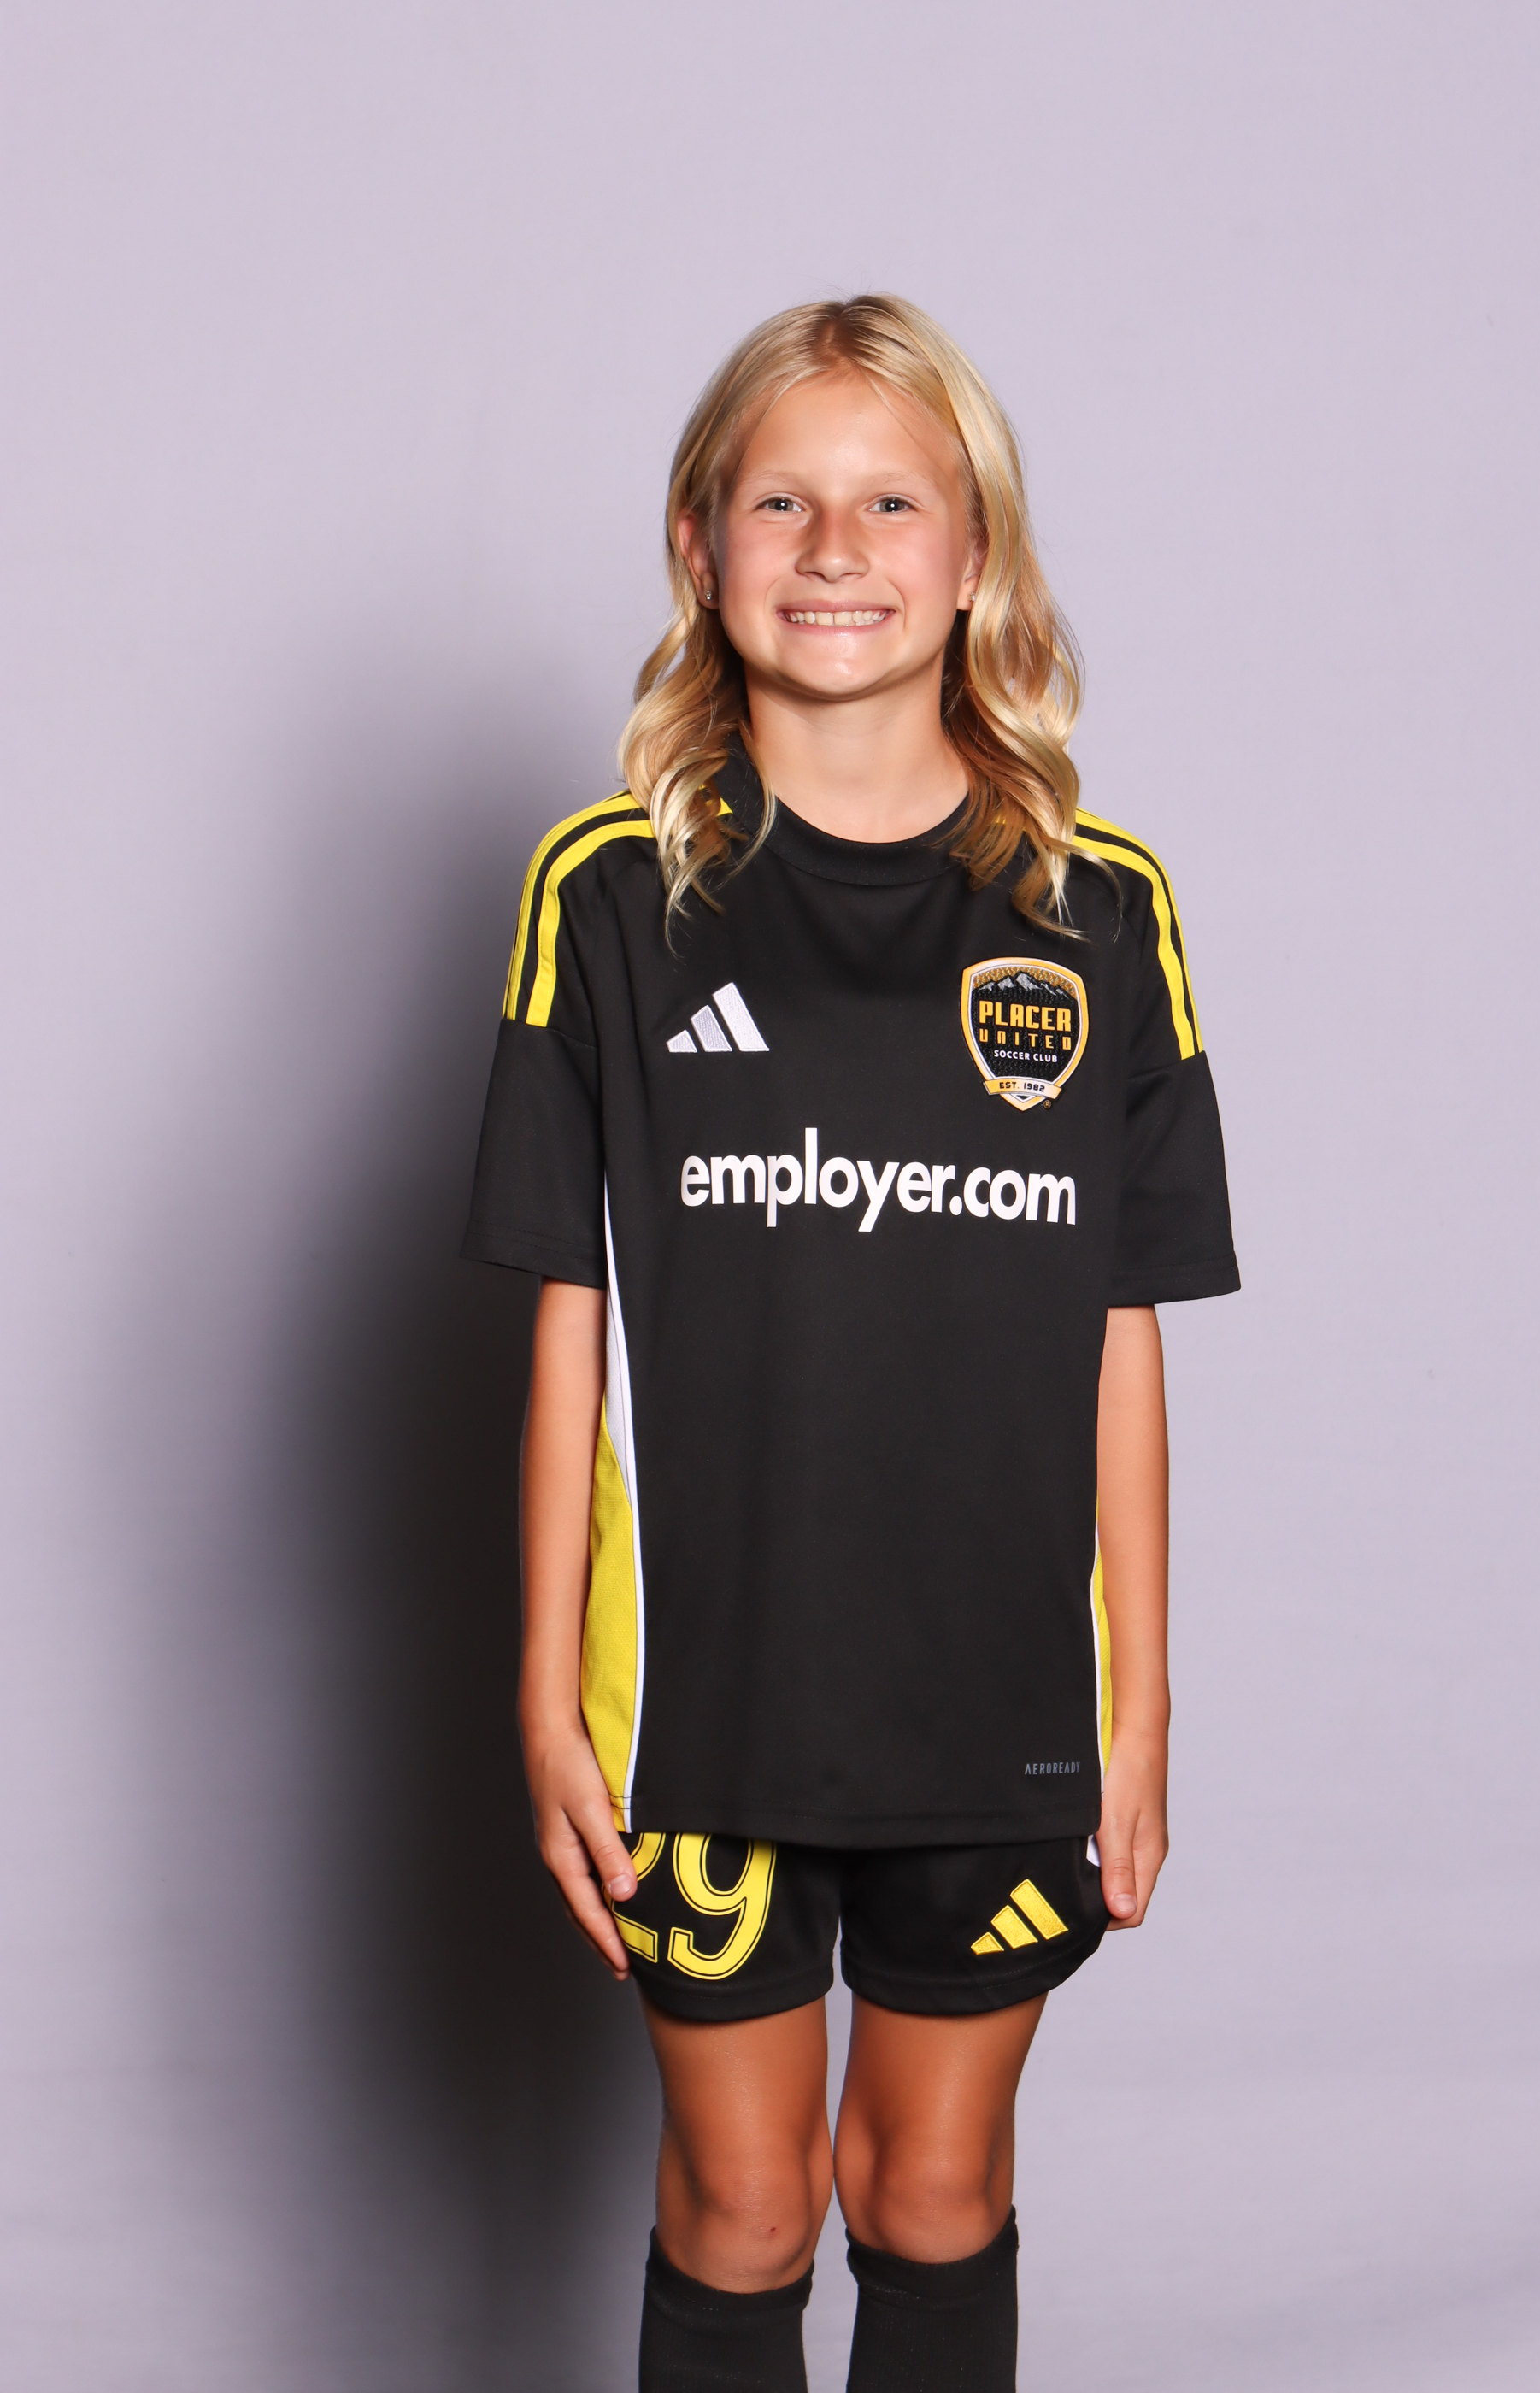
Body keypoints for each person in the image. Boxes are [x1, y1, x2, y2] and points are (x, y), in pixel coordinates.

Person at [461, 294, 1238, 2392]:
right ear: (698, 545)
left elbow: (1120, 1331)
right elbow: (566, 1316)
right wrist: (543, 1687)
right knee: (742, 2200)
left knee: (932, 2186)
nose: (834, 547)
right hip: (695, 1691)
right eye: (779, 501)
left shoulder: (1102, 907)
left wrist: (1144, 1701)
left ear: (976, 551)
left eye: (893, 502)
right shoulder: (607, 893)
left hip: (996, 1685)